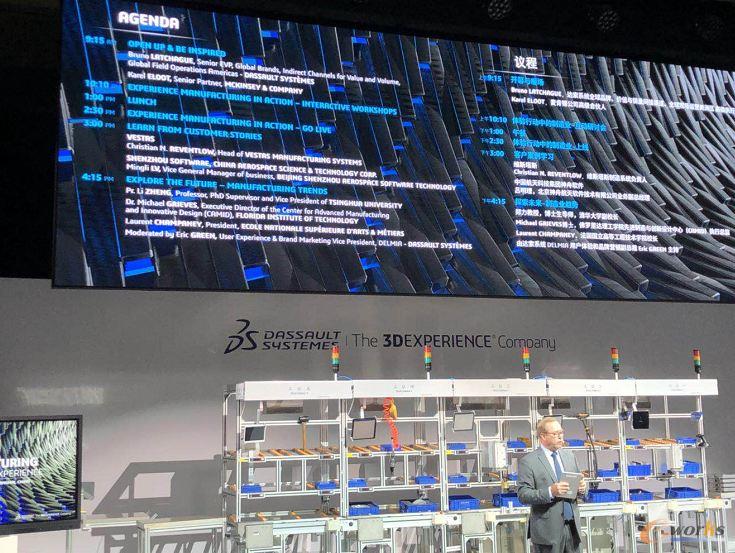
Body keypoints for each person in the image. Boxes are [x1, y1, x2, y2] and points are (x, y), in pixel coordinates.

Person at [517, 416, 587, 553]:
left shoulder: (569, 456)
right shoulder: (529, 461)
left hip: (572, 529)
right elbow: (523, 495)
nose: (560, 437)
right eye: (555, 434)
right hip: (547, 532)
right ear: (543, 436)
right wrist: (550, 492)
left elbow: (579, 482)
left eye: (561, 433)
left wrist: (582, 488)